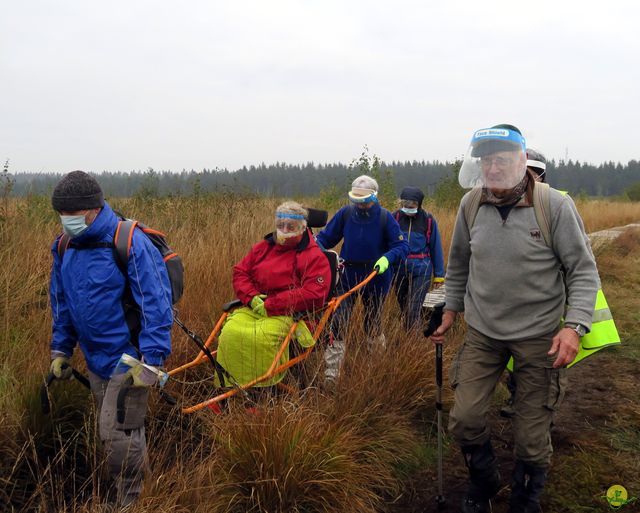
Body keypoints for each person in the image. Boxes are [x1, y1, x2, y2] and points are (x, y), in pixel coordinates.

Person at [430, 126, 599, 513]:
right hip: (483, 333)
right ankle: (484, 483)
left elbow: (583, 271)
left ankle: (525, 500)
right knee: (465, 419)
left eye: (501, 159)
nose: (492, 167)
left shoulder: (554, 205)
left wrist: (573, 326)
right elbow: (458, 264)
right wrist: (451, 310)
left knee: (531, 438)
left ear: (521, 162)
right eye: (486, 160)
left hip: (540, 336)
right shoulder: (471, 204)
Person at [49, 171, 173, 507]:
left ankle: (131, 503)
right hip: (95, 358)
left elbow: (156, 305)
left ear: (91, 210)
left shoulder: (128, 241)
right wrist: (61, 349)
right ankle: (128, 493)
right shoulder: (65, 247)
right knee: (112, 432)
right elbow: (62, 302)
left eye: (70, 216)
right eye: (60, 215)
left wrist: (152, 360)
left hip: (131, 357)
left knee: (119, 432)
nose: (65, 222)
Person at [218, 201, 332, 389]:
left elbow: (313, 293)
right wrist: (252, 297)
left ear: (303, 228)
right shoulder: (263, 247)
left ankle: (263, 391)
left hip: (290, 314)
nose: (284, 230)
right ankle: (229, 385)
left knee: (259, 338)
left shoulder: (313, 256)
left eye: (290, 226)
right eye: (280, 225)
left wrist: (272, 304)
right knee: (229, 333)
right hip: (256, 306)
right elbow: (240, 272)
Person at [315, 175, 409, 387]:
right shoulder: (346, 214)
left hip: (376, 278)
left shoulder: (385, 218)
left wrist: (387, 258)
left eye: (364, 199)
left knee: (373, 323)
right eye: (356, 199)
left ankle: (375, 370)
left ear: (375, 197)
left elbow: (402, 247)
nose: (360, 204)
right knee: (338, 322)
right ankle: (331, 377)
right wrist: (318, 250)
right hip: (347, 276)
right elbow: (325, 238)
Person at [391, 186, 445, 331]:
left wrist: (439, 276)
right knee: (404, 307)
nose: (408, 206)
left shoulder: (428, 220)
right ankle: (409, 333)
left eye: (412, 204)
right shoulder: (394, 217)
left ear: (419, 203)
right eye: (405, 203)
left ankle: (413, 342)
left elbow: (436, 248)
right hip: (399, 269)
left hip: (422, 269)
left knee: (414, 309)